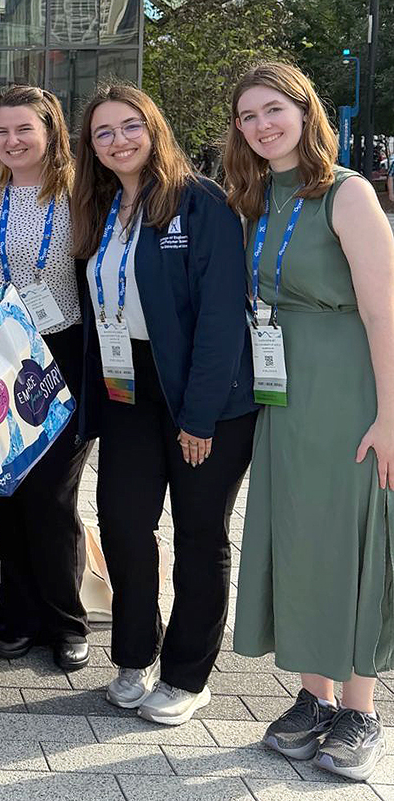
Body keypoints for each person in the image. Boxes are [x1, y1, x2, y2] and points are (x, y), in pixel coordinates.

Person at [71, 83, 257, 727]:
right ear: (90, 147)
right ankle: (132, 655)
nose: (119, 140)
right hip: (129, 389)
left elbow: (220, 316)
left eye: (130, 127)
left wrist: (199, 415)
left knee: (201, 534)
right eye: (103, 132)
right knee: (123, 523)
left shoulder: (198, 202)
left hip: (203, 395)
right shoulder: (97, 207)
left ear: (154, 130)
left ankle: (187, 673)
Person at [228, 62, 394, 781]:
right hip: (286, 398)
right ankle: (314, 696)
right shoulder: (259, 196)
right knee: (298, 538)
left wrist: (390, 415)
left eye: (274, 110)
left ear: (305, 108)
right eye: (247, 116)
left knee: (347, 540)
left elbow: (384, 309)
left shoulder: (349, 193)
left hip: (346, 393)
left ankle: (361, 705)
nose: (262, 125)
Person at [0, 85, 92, 673]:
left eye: (24, 130)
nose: (12, 142)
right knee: (6, 490)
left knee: (53, 497)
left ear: (50, 132)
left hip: (61, 354)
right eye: (1, 132)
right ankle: (20, 614)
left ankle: (66, 621)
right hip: (1, 358)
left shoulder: (80, 195)